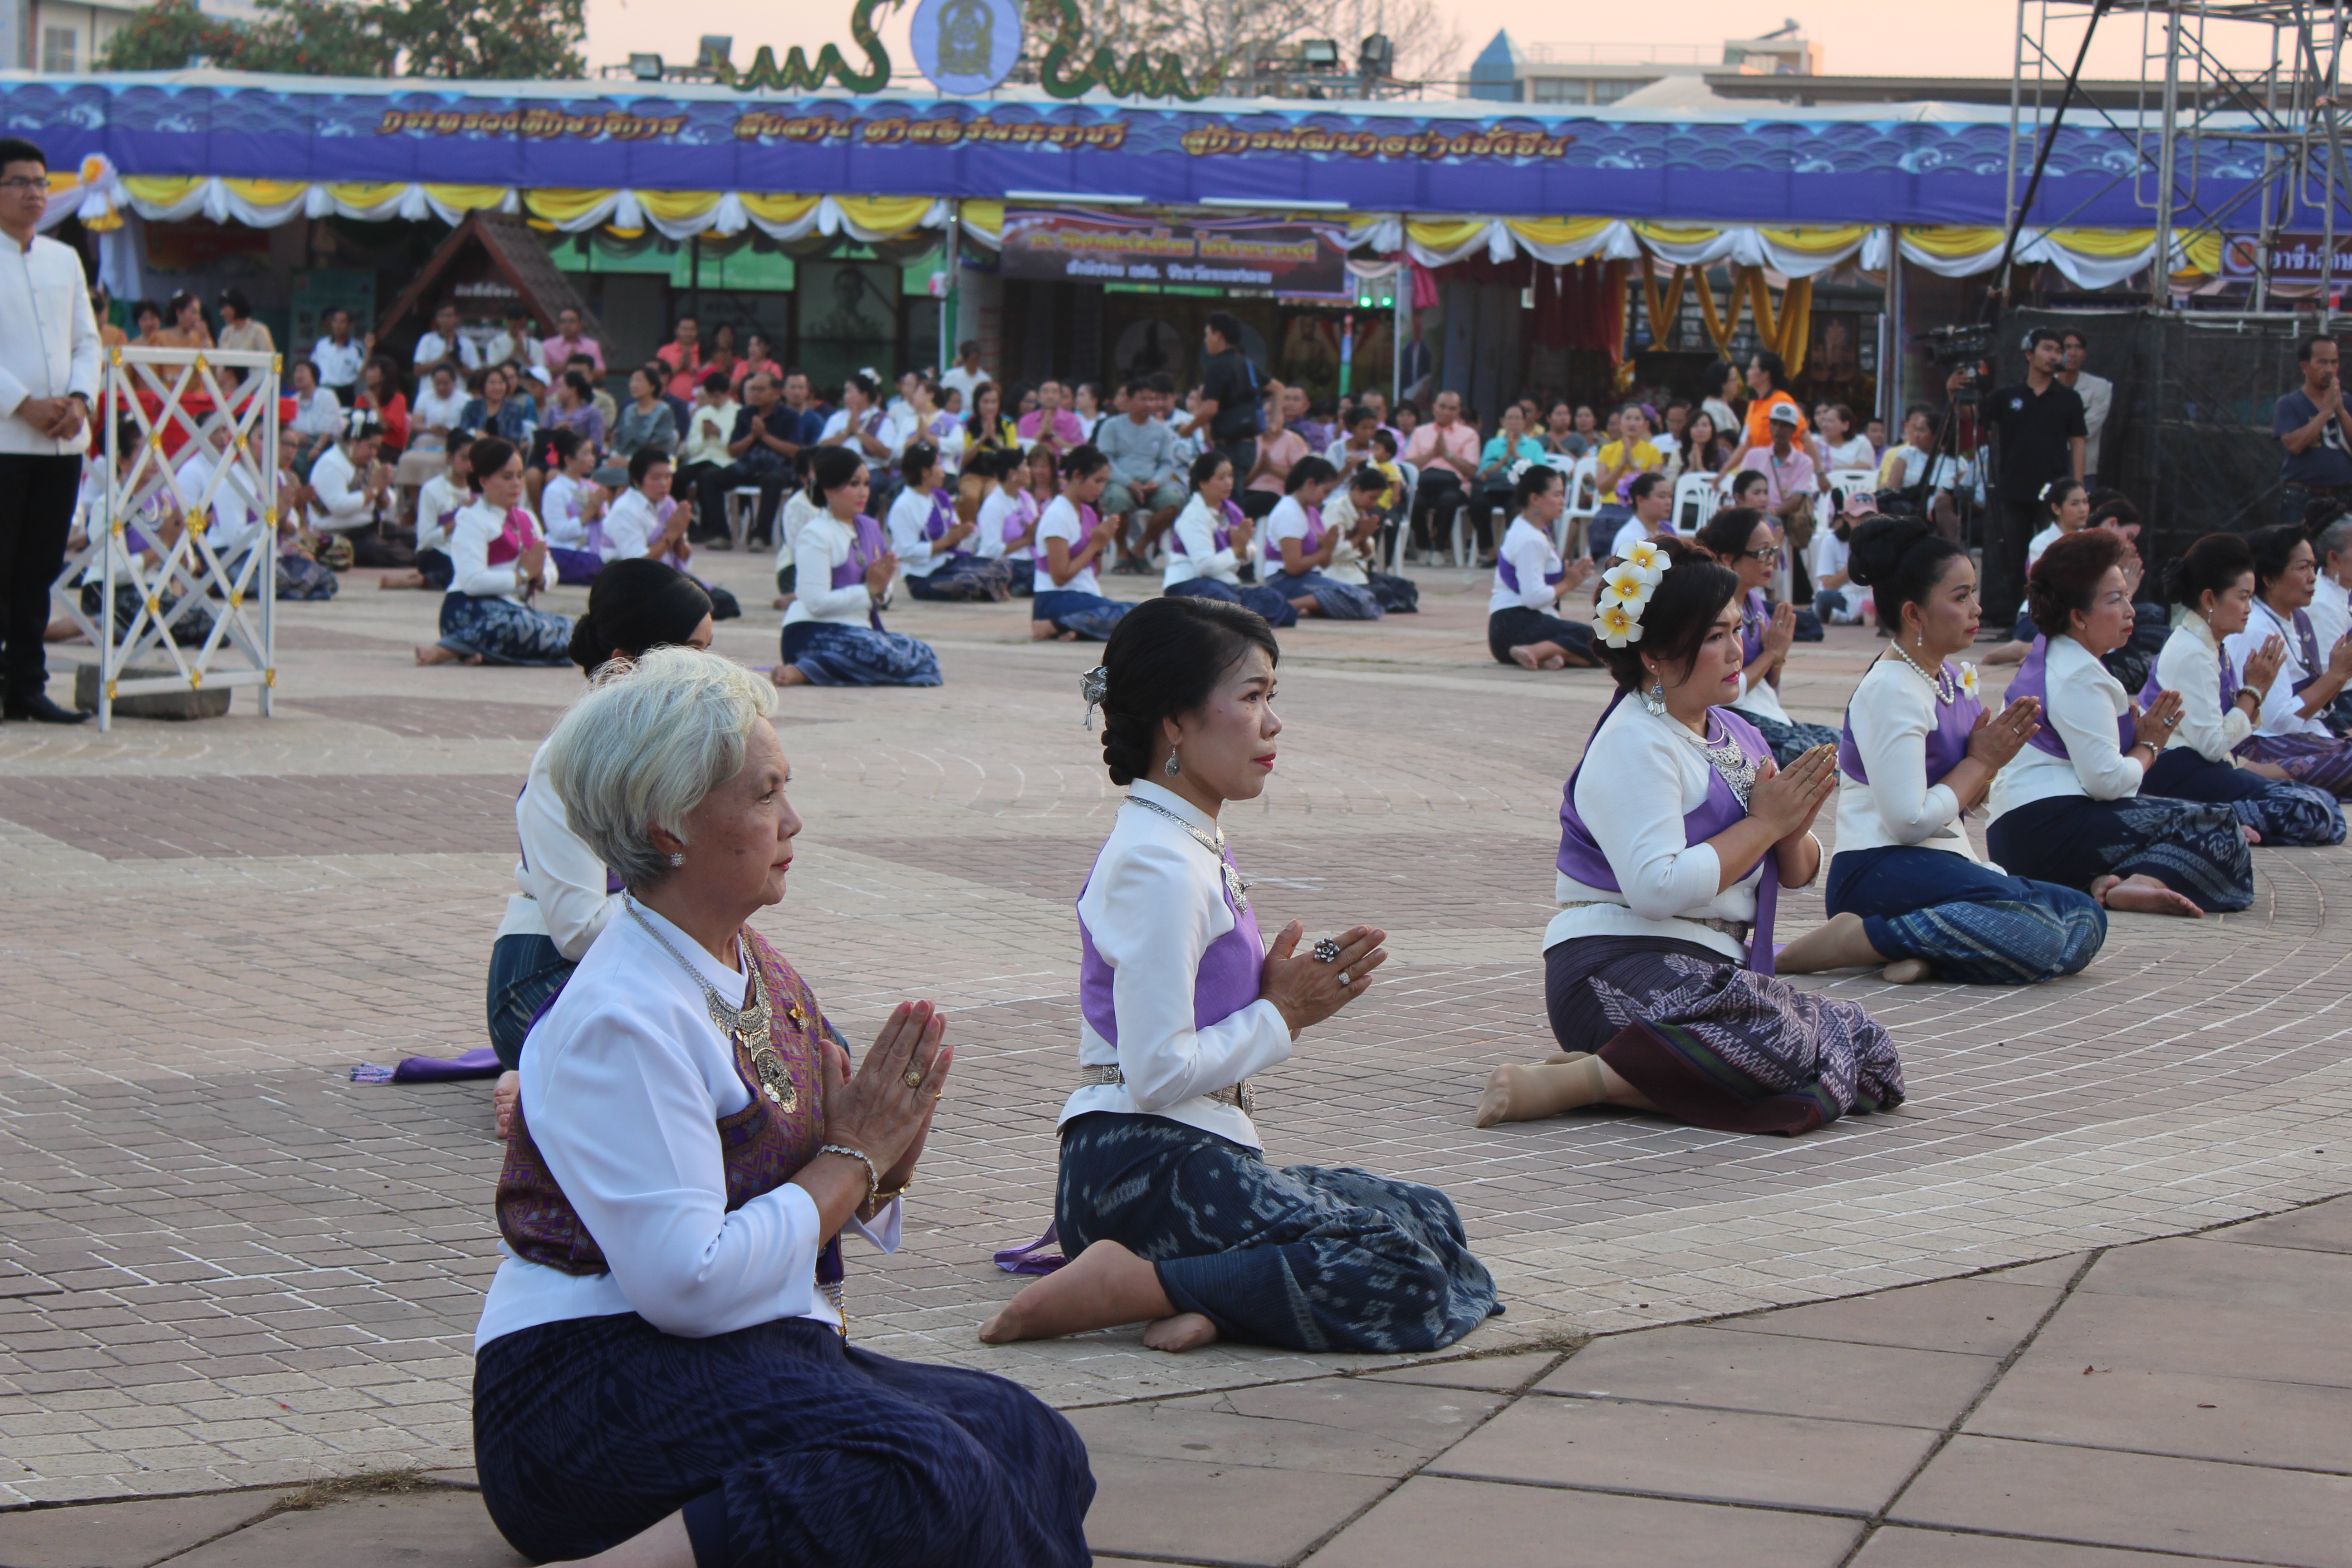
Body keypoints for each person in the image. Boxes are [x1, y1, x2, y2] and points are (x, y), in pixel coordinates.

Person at [474, 646, 1093, 1567]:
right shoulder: (621, 1017)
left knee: (1026, 1435)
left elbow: (826, 1174)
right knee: (920, 1474)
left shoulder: (748, 961)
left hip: (736, 1353)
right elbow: (685, 1284)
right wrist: (853, 1161)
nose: (793, 820)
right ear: (669, 823)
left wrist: (884, 1161)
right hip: (585, 1398)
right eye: (765, 796)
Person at [979, 598, 1498, 1354]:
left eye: (1270, 698)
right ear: (1174, 723)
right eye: (1251, 697)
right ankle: (1135, 1286)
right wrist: (1281, 1017)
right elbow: (1155, 1073)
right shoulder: (1160, 864)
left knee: (1423, 1216)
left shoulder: (1183, 840)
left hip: (1179, 1157)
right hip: (1142, 1168)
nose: (1272, 723)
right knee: (1400, 1268)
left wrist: (1287, 994)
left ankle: (1208, 1297)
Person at [1479, 535, 1903, 1135]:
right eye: (1714, 638)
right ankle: (1584, 1080)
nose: (1738, 651)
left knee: (1870, 1049)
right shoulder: (1634, 741)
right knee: (1786, 1046)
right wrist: (1764, 824)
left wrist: (1789, 829)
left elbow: (1801, 870)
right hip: (1617, 964)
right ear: (1655, 654)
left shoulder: (1734, 732)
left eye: (1736, 630)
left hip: (1716, 974)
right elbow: (1657, 888)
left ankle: (1636, 1079)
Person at [1776, 514, 2108, 986]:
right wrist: (1981, 762)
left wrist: (1986, 771)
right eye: (1960, 597)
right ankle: (1860, 939)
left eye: (1973, 592)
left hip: (1941, 863)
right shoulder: (1892, 688)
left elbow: (1963, 799)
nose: (1977, 609)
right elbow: (1907, 821)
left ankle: (1921, 950)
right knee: (2043, 936)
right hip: (1880, 870)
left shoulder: (1948, 679)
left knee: (2085, 914)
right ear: (1914, 614)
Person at [485, 561, 715, 1076]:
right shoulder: (563, 763)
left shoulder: (675, 753)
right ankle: (540, 1085)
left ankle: (543, 1087)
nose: (708, 672)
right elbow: (577, 931)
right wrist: (693, 900)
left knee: (801, 1043)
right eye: (694, 653)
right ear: (626, 665)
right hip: (546, 973)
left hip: (640, 965)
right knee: (675, 1062)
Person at [1987, 529, 2255, 916]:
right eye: (2116, 600)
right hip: (2047, 831)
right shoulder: (2082, 674)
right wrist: (2149, 747)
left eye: (2128, 595)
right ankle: (2143, 882)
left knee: (2187, 816)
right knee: (2219, 824)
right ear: (2078, 616)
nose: (2131, 610)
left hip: (2022, 833)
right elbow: (2108, 782)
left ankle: (2104, 881)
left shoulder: (2055, 652)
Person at [2137, 532, 2344, 844]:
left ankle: (2220, 818)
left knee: (2324, 806)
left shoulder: (2208, 643)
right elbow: (2213, 745)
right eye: (2243, 597)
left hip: (2204, 766)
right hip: (2178, 770)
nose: (2249, 607)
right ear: (2210, 599)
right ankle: (2216, 821)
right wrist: (2254, 691)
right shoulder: (2192, 652)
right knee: (2313, 812)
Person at [0, 137, 99, 724]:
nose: (34, 193)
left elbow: (87, 340)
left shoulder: (65, 259)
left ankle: (27, 685)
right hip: (6, 440)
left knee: (39, 568)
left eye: (41, 183)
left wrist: (81, 398)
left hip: (62, 441)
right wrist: (21, 403)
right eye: (20, 182)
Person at [776, 446, 941, 688]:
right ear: (830, 489)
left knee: (922, 653)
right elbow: (815, 603)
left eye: (866, 483)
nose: (864, 492)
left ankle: (815, 671)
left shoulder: (870, 527)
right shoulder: (816, 534)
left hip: (858, 630)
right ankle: (805, 670)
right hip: (811, 632)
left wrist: (882, 588)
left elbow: (883, 591)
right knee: (879, 654)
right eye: (854, 484)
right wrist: (868, 590)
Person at [1695, 509, 1840, 765]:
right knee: (1806, 759)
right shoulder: (1716, 609)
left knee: (1841, 743)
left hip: (1761, 710)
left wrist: (1778, 658)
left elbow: (1770, 688)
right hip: (1728, 718)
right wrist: (1771, 654)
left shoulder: (1754, 603)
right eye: (1763, 553)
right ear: (1729, 559)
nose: (1771, 561)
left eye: (1774, 552)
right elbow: (1723, 693)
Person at [416, 436, 573, 668]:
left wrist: (540, 577)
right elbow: (472, 582)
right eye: (507, 477)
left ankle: (479, 652)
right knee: (511, 625)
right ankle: (450, 648)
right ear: (484, 481)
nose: (517, 484)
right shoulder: (471, 518)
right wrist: (522, 575)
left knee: (570, 630)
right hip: (469, 611)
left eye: (520, 476)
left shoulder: (527, 518)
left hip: (514, 609)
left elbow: (549, 568)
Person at [2221, 522, 2352, 787]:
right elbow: (2279, 722)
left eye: (2313, 567)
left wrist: (2338, 677)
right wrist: (2337, 675)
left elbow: (2311, 704)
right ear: (2269, 578)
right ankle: (2259, 775)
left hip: (2301, 735)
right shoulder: (2257, 629)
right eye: (2302, 568)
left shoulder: (2297, 618)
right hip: (2262, 745)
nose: (2313, 577)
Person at [1982, 327, 2087, 623]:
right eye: (2048, 348)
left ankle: (2053, 618)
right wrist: (1955, 389)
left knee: (2053, 556)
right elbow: (1973, 417)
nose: (2055, 355)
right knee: (2015, 560)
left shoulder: (2069, 399)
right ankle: (2018, 620)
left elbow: (2078, 442)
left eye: (2059, 350)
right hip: (2014, 488)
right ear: (2029, 354)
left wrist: (2077, 489)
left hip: (2054, 494)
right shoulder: (2006, 397)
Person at [1160, 450, 1297, 627]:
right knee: (1229, 605)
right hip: (1191, 585)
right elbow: (1205, 567)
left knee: (1273, 599)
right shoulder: (1194, 517)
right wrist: (1236, 550)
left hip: (1224, 584)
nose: (1229, 483)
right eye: (1222, 478)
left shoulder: (1231, 510)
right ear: (1203, 483)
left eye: (1231, 476)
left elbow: (1250, 551)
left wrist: (1242, 549)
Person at [1489, 462, 1600, 670]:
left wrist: (1567, 576)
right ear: (1535, 499)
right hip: (1516, 626)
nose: (1563, 501)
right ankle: (1537, 651)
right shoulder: (1530, 539)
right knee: (1600, 641)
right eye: (1557, 495)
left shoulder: (1526, 528)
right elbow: (1533, 598)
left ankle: (1551, 653)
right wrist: (1569, 583)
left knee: (1600, 646)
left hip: (1507, 631)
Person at [1031, 445, 1133, 642]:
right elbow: (1060, 576)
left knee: (1141, 616)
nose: (1101, 488)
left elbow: (1094, 571)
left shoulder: (1087, 513)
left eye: (1104, 482)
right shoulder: (1057, 515)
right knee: (1133, 616)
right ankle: (1057, 624)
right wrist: (1095, 544)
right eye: (1097, 481)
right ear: (1077, 475)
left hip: (1083, 597)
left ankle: (1073, 627)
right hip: (1055, 599)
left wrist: (1101, 545)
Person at [1259, 456, 1381, 621]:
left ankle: (1303, 605)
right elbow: (1293, 567)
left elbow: (1325, 563)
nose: (1326, 497)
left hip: (1307, 578)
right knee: (1359, 600)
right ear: (1310, 484)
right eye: (1326, 492)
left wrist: (1327, 549)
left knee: (1367, 598)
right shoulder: (1288, 512)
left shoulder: (1312, 512)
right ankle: (1288, 605)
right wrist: (1327, 550)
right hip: (1283, 581)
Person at [886, 441, 1009, 602]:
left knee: (1002, 566)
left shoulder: (940, 498)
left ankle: (990, 587)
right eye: (938, 465)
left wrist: (964, 533)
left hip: (949, 563)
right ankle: (991, 588)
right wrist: (947, 541)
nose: (943, 472)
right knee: (967, 582)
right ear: (925, 472)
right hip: (923, 575)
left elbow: (955, 532)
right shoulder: (903, 506)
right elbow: (905, 552)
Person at [702, 372, 803, 549]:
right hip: (746, 468)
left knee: (774, 480)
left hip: (777, 470)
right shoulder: (745, 414)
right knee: (709, 477)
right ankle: (721, 534)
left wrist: (764, 436)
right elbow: (732, 451)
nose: (756, 393)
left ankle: (761, 537)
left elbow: (796, 451)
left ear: (776, 393)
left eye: (761, 389)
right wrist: (752, 436)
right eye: (753, 389)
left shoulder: (790, 417)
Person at [1099, 377, 1184, 572]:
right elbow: (1106, 462)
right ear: (1128, 401)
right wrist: (1129, 482)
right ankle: (1122, 552)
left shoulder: (1161, 430)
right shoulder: (1111, 426)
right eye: (1143, 399)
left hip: (1151, 484)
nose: (1149, 404)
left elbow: (1167, 463)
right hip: (1121, 482)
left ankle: (1140, 548)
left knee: (1173, 502)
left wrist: (1156, 481)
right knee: (1116, 499)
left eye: (1152, 399)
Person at [1320, 465, 1419, 613]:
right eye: (1372, 498)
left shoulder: (1361, 512)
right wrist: (1360, 536)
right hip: (1339, 574)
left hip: (1357, 572)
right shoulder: (1336, 510)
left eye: (1377, 499)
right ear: (1358, 490)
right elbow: (1333, 553)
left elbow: (1368, 555)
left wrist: (1364, 537)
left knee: (1406, 588)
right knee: (1385, 594)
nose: (1374, 504)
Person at [381, 439, 472, 592]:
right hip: (437, 552)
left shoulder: (481, 490)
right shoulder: (432, 489)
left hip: (467, 552)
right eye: (464, 458)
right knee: (459, 572)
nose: (470, 465)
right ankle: (416, 581)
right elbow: (425, 540)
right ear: (450, 458)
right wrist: (458, 519)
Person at [1402, 389, 1479, 560]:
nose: (1446, 412)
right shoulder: (1420, 432)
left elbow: (1471, 470)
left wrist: (1447, 455)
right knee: (1414, 500)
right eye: (1442, 407)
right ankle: (1423, 547)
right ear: (1434, 408)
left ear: (1458, 412)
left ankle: (1439, 549)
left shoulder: (1469, 435)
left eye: (1452, 409)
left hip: (1454, 485)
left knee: (1448, 501)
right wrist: (1431, 455)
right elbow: (1409, 465)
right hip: (1424, 483)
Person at [1192, 311, 1263, 476]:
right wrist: (1275, 418)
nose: (1206, 340)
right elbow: (1277, 388)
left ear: (1218, 336)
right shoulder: (1247, 364)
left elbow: (1210, 409)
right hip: (1248, 446)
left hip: (1231, 446)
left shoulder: (1217, 366)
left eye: (1207, 335)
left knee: (1228, 498)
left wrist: (1188, 430)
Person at [1476, 404, 1546, 565]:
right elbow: (1483, 473)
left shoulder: (1534, 446)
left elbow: (1540, 473)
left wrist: (1516, 455)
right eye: (1510, 418)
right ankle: (1490, 551)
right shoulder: (1493, 444)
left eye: (1518, 418)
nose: (1514, 422)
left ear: (1524, 422)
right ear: (1503, 422)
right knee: (1478, 504)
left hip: (1518, 491)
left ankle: (1510, 553)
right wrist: (1505, 457)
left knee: (1516, 507)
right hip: (1495, 488)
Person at [538, 428, 608, 585]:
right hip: (566, 551)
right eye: (586, 454)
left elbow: (607, 529)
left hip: (593, 552)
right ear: (569, 460)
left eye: (592, 453)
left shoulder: (593, 488)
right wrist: (589, 512)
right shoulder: (555, 490)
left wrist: (600, 514)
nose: (592, 459)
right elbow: (558, 531)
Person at [593, 364, 678, 489]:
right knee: (599, 475)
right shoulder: (629, 410)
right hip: (622, 461)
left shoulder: (664, 412)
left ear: (652, 386)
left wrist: (630, 461)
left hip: (647, 463)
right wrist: (615, 457)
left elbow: (660, 445)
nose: (633, 385)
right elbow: (618, 438)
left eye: (639, 381)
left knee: (626, 478)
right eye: (632, 380)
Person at [974, 445, 1043, 597]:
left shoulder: (1027, 498)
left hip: (1030, 560)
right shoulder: (994, 505)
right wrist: (1027, 539)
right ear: (1012, 473)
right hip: (1007, 564)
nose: (1029, 470)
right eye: (1024, 466)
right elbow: (991, 549)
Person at [1238, 392, 1308, 523]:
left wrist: (1272, 468)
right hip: (1250, 493)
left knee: (1269, 499)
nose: (1271, 418)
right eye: (1268, 414)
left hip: (1278, 496)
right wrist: (1260, 468)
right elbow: (1241, 481)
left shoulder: (1293, 440)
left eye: (1275, 414)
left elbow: (1302, 477)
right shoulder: (1251, 441)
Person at [2059, 329, 2112, 487]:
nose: (2073, 353)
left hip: (2085, 471)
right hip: (2049, 468)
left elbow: (2086, 429)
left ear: (2085, 353)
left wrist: (2054, 435)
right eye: (2067, 347)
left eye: (2078, 348)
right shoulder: (2046, 386)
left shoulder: (2101, 387)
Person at [456, 364, 535, 446]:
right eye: (492, 383)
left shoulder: (514, 410)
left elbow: (514, 440)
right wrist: (473, 434)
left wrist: (487, 439)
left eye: (501, 383)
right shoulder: (472, 407)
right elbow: (463, 432)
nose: (497, 388)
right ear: (483, 385)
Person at [1607, 472, 1676, 560]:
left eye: (1670, 496)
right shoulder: (1629, 539)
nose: (1669, 502)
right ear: (1640, 500)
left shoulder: (1668, 530)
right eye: (1662, 496)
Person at [309, 307, 367, 402]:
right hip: (323, 390)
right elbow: (312, 368)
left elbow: (363, 374)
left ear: (350, 325)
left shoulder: (357, 348)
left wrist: (370, 350)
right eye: (335, 321)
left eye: (342, 322)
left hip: (345, 392)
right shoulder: (321, 345)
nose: (338, 325)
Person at [355, 354, 408, 457]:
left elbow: (384, 427)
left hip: (389, 448)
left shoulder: (398, 399)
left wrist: (374, 403)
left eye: (372, 370)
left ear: (384, 376)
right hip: (365, 445)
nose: (367, 374)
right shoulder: (361, 399)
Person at [537, 306, 602, 377]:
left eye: (572, 321)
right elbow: (541, 373)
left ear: (580, 325)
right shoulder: (547, 345)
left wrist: (580, 366)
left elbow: (601, 373)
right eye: (563, 322)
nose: (567, 325)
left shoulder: (592, 346)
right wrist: (566, 364)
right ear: (559, 325)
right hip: (557, 388)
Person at [413, 302, 476, 373]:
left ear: (457, 318)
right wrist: (442, 360)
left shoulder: (467, 344)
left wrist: (456, 364)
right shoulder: (427, 340)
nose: (445, 320)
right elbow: (417, 370)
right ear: (437, 318)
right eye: (441, 316)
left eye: (449, 316)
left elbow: (476, 375)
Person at [965, 381, 1019, 455]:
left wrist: (994, 438)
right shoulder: (968, 425)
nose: (990, 407)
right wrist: (982, 438)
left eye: (994, 402)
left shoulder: (1007, 424)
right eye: (985, 402)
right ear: (977, 403)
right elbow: (962, 460)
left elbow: (1013, 457)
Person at [656, 315, 702, 402]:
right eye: (685, 330)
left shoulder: (704, 351)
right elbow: (657, 378)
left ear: (697, 331)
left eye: (692, 330)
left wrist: (690, 369)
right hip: (669, 403)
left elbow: (709, 378)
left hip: (699, 404)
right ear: (676, 331)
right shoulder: (665, 351)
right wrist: (679, 367)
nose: (689, 333)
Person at [214, 289, 270, 354]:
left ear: (235, 307)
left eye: (225, 308)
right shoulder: (226, 332)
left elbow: (271, 360)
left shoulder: (258, 331)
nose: (222, 313)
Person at [941, 339, 991, 406]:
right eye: (971, 360)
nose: (973, 363)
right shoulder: (951, 376)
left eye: (976, 360)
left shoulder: (985, 379)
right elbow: (942, 397)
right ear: (964, 359)